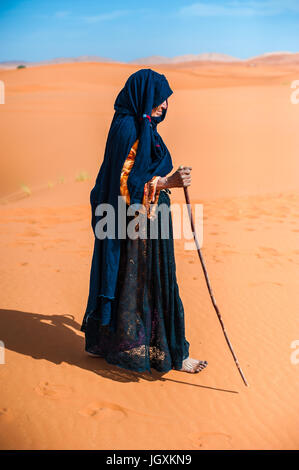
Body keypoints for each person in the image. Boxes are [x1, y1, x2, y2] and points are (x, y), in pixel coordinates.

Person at [80, 69, 208, 374]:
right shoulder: (127, 128)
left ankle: (117, 342)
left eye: (166, 100)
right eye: (160, 98)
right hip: (138, 222)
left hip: (142, 220)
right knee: (155, 282)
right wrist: (168, 182)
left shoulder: (139, 125)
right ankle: (175, 355)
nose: (164, 105)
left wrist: (163, 181)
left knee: (135, 280)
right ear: (144, 96)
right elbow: (126, 184)